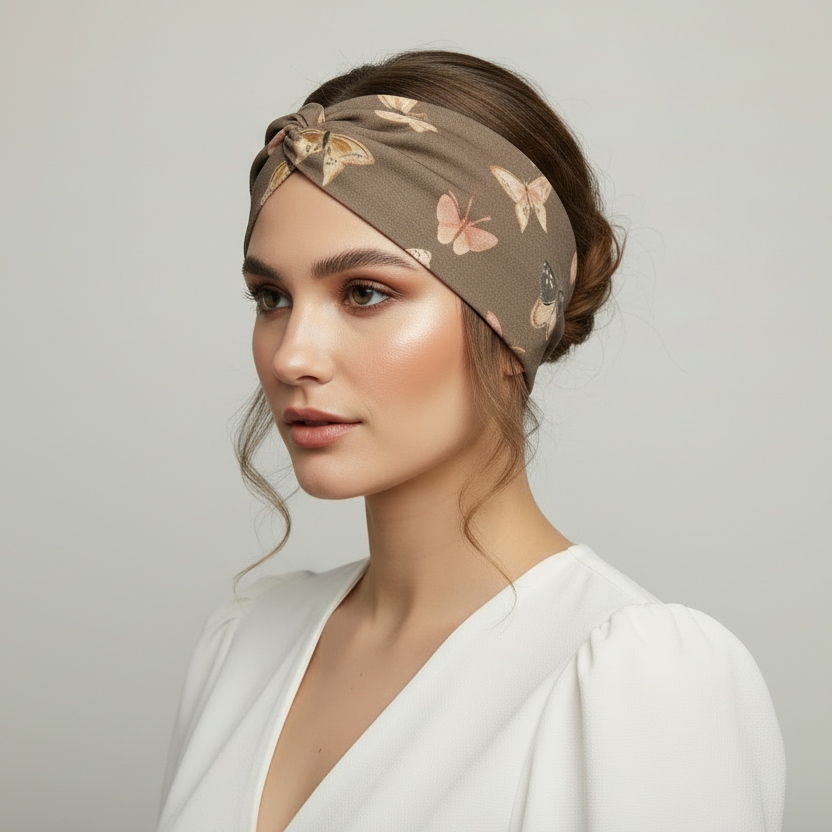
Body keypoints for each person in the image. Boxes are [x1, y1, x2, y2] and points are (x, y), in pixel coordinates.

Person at [155, 50, 786, 832]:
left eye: (365, 293)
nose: (291, 356)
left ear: (508, 318)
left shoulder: (636, 682)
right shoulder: (244, 645)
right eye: (271, 297)